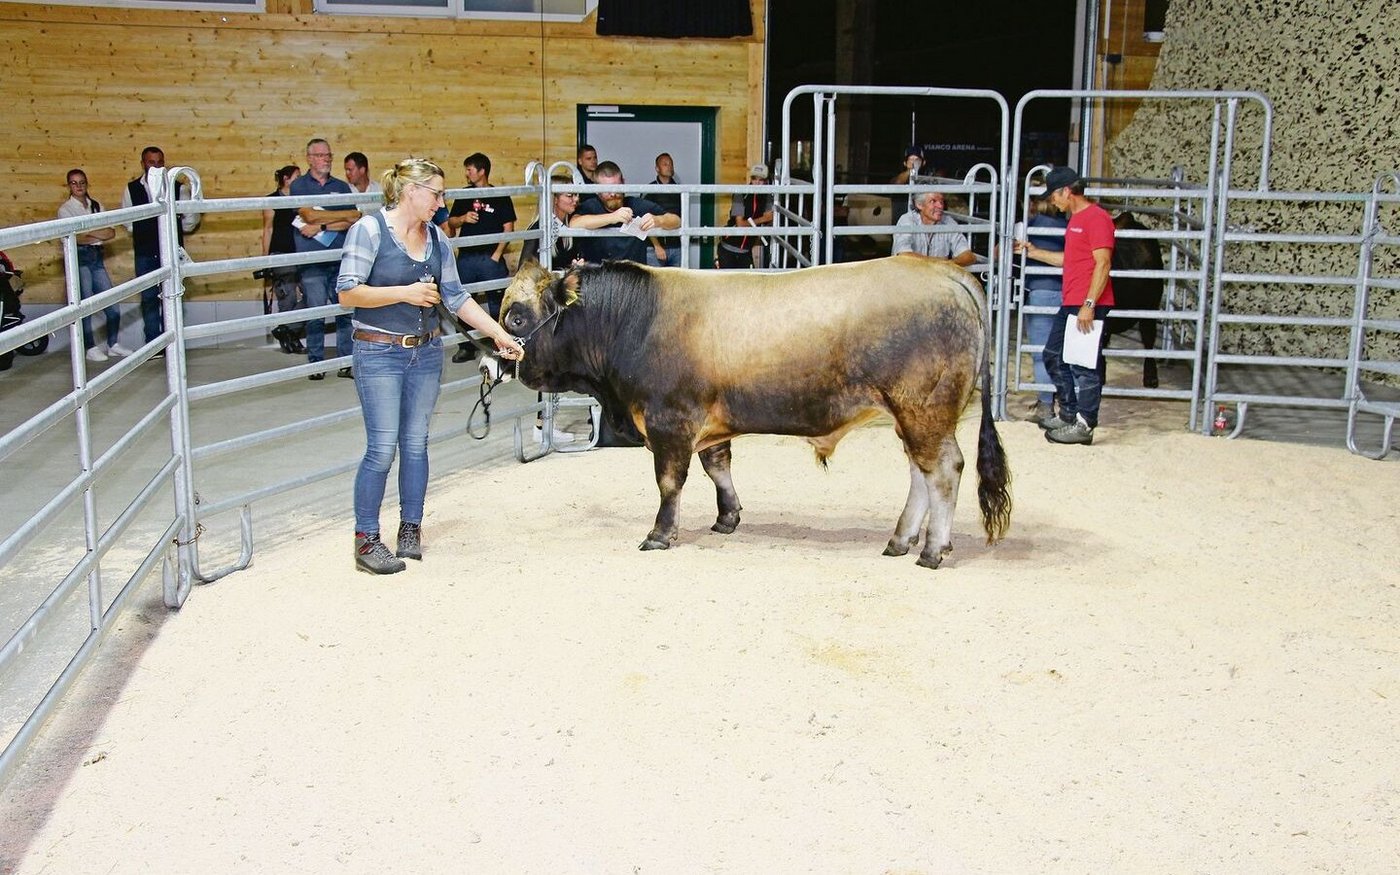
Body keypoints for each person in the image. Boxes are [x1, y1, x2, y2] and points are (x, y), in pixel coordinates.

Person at [336, 157, 524, 575]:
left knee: (416, 443)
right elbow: (347, 293)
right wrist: (403, 292)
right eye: (436, 193)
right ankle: (366, 537)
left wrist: (498, 334)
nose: (442, 201)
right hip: (379, 351)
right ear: (410, 192)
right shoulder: (367, 230)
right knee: (383, 448)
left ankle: (410, 527)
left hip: (425, 352)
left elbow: (456, 297)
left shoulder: (437, 237)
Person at [1014, 165, 1115, 445]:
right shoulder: (1076, 220)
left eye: (1053, 196)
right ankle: (1069, 414)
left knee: (1085, 365)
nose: (1051, 201)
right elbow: (1068, 261)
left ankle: (1084, 423)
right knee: (1054, 355)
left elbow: (1103, 263)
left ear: (1066, 191)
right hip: (1074, 300)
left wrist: (1090, 304)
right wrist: (1034, 252)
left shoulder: (1096, 218)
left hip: (1087, 302)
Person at [290, 137, 361, 380]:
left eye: (328, 155)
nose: (326, 160)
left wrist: (322, 224)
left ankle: (346, 362)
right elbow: (306, 215)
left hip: (339, 257)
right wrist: (334, 218)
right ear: (309, 158)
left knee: (345, 310)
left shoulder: (341, 186)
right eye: (321, 156)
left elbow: (354, 215)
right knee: (315, 312)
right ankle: (315, 363)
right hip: (312, 260)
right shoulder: (299, 186)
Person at [121, 145, 199, 349]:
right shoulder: (131, 189)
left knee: (173, 295)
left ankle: (172, 343)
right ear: (143, 164)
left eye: (159, 162)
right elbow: (128, 222)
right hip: (145, 251)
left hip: (171, 250)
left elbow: (190, 219)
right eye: (151, 162)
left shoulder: (178, 187)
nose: (155, 166)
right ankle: (154, 344)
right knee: (148, 297)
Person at [446, 152, 516, 362]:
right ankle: (466, 346)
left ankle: (502, 344)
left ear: (481, 171)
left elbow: (509, 227)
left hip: (489, 257)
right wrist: (463, 218)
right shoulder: (464, 194)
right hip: (467, 256)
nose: (467, 173)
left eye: (470, 169)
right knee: (463, 302)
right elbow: (451, 222)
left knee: (498, 303)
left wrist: (497, 254)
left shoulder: (500, 194)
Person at [58, 169, 128, 362]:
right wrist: (96, 232)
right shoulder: (66, 210)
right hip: (80, 258)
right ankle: (89, 346)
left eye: (82, 182)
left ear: (87, 184)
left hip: (97, 257)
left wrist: (89, 233)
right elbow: (76, 239)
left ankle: (113, 344)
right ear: (69, 186)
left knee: (111, 302)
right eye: (74, 183)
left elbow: (110, 233)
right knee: (85, 304)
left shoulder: (97, 205)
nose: (79, 186)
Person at [1018, 195, 1068, 422]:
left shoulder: (1028, 226)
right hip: (1067, 294)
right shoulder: (1068, 226)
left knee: (1041, 353)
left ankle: (1045, 405)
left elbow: (1001, 250)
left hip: (1040, 292)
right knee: (1066, 353)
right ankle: (1069, 404)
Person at [572, 161, 680, 264]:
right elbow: (574, 224)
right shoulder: (591, 206)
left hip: (633, 277)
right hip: (601, 276)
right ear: (597, 189)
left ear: (623, 183)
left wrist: (658, 220)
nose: (613, 194)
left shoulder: (636, 205)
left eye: (616, 187)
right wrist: (612, 217)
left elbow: (676, 221)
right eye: (607, 190)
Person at [261, 164, 305, 354]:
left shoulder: (302, 200)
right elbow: (267, 229)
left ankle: (286, 329)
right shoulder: (272, 201)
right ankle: (290, 338)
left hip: (302, 252)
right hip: (281, 253)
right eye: (297, 176)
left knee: (311, 294)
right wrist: (265, 260)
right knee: (286, 298)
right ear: (287, 179)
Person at [891, 191, 977, 266]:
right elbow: (904, 255)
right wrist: (940, 263)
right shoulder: (907, 220)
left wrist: (946, 264)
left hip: (938, 277)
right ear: (919, 205)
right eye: (933, 201)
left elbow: (969, 256)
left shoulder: (948, 222)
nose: (940, 206)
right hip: (911, 276)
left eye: (941, 201)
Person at [716, 164, 773, 269]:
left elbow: (770, 218)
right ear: (750, 179)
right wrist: (763, 219)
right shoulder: (741, 193)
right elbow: (740, 224)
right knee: (727, 283)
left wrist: (763, 220)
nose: (757, 183)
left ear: (766, 181)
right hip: (728, 248)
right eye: (754, 179)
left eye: (761, 180)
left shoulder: (768, 196)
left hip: (746, 251)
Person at [647, 152, 684, 267]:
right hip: (655, 249)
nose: (670, 167)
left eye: (671, 164)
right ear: (657, 168)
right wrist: (657, 246)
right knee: (655, 284)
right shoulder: (649, 190)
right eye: (665, 164)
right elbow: (645, 220)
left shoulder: (681, 191)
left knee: (677, 284)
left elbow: (683, 218)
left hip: (676, 247)